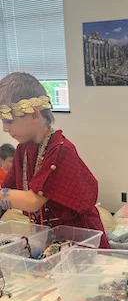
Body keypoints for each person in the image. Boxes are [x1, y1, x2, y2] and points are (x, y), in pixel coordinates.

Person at [0, 72, 109, 248]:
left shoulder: (60, 149)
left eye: (9, 121)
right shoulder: (23, 150)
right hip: (48, 237)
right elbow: (7, 189)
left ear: (34, 115)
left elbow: (32, 201)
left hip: (79, 239)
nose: (5, 128)